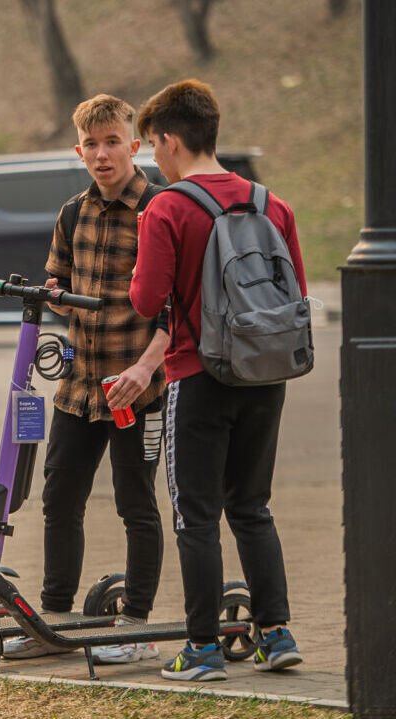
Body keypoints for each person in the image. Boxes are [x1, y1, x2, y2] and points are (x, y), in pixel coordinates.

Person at [130, 79, 305, 682]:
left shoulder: (167, 206)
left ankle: (202, 649)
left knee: (195, 516)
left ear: (171, 140)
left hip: (197, 375)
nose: (153, 157)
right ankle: (277, 635)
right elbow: (297, 294)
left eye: (153, 145)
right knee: (253, 507)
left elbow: (146, 298)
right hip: (265, 376)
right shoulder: (270, 202)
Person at [2, 94, 168, 665]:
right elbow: (59, 282)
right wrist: (51, 296)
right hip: (78, 388)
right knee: (59, 499)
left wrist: (145, 370)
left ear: (133, 145)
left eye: (112, 142)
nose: (102, 155)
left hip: (138, 389)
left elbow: (177, 307)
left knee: (136, 504)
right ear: (79, 150)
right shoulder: (73, 212)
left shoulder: (159, 211)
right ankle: (55, 621)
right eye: (91, 145)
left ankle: (138, 625)